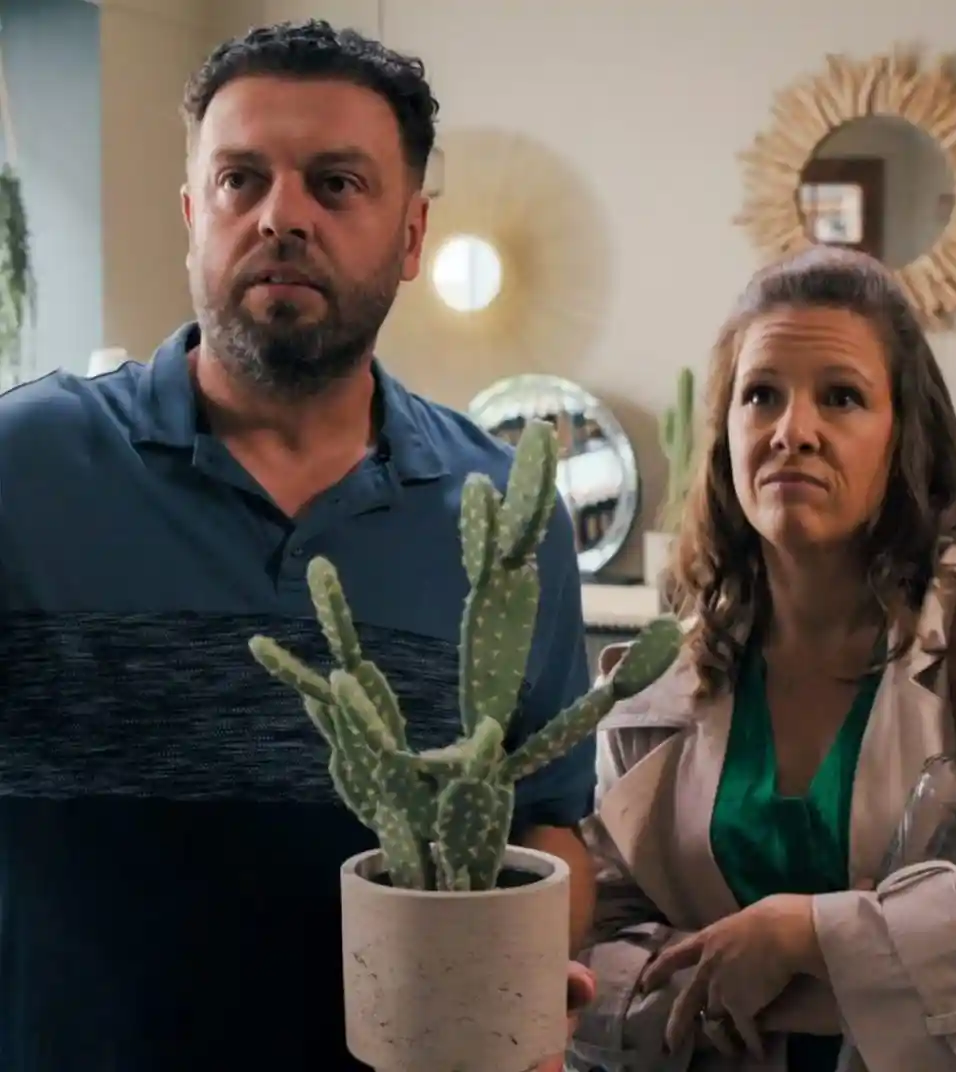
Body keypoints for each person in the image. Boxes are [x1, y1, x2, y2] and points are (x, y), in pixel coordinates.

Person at [0, 21, 596, 1072]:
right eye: (241, 179)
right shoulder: (26, 466)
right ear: (194, 217)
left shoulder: (507, 514)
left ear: (411, 235)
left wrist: (529, 972)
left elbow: (548, 826)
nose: (281, 215)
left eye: (336, 184)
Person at [567, 246, 956, 1072]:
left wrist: (809, 938)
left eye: (841, 397)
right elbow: (595, 937)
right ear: (726, 433)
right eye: (761, 396)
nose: (792, 431)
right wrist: (747, 996)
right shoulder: (654, 685)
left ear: (905, 435)